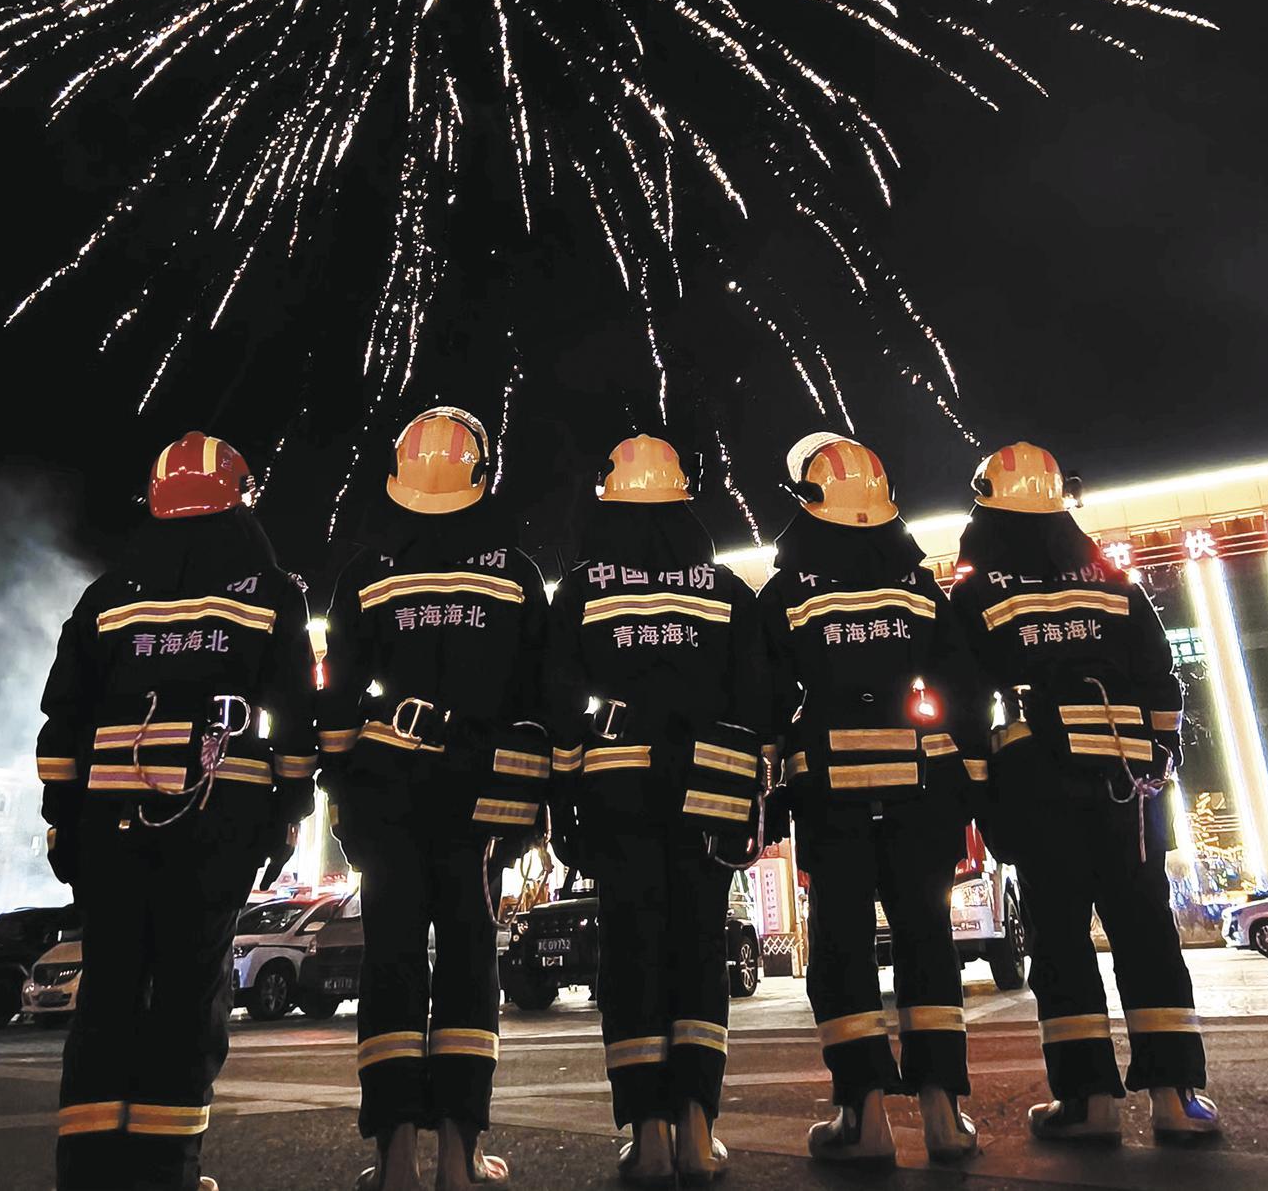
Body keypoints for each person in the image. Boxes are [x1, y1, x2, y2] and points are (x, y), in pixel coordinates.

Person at [36, 431, 319, 1191]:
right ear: (242, 500)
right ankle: (166, 1171)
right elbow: (296, 720)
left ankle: (89, 1173)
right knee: (190, 993)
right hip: (217, 815)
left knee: (108, 990)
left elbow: (63, 720)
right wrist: (289, 808)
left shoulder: (108, 594)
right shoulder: (270, 592)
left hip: (109, 820)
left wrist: (62, 817)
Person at [949, 441, 1220, 1144]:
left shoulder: (976, 590)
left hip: (1037, 781)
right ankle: (1176, 1098)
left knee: (1059, 939)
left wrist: (980, 795)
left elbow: (964, 701)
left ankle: (1088, 1102)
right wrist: (1158, 756)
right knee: (1146, 929)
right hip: (1127, 782)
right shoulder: (1111, 577)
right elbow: (1161, 678)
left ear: (986, 506)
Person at [318, 406, 551, 1191]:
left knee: (389, 964)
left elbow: (335, 707)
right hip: (479, 805)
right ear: (482, 477)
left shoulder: (365, 574)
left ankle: (395, 1161)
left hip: (386, 800)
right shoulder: (516, 574)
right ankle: (460, 1154)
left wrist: (344, 799)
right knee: (468, 962)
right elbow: (540, 703)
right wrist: (532, 806)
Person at [546, 433, 772, 1186]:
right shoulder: (727, 589)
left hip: (617, 796)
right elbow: (758, 705)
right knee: (701, 949)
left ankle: (647, 1135)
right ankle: (698, 1131)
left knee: (633, 954)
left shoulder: (580, 590)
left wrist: (564, 808)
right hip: (707, 795)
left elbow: (558, 710)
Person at [759, 433, 988, 1166]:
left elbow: (765, 702)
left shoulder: (787, 593)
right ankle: (945, 1115)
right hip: (923, 793)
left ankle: (863, 1119)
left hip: (832, 799)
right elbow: (963, 690)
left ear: (806, 500)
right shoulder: (918, 587)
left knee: (842, 944)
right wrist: (969, 782)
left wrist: (769, 792)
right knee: (928, 939)